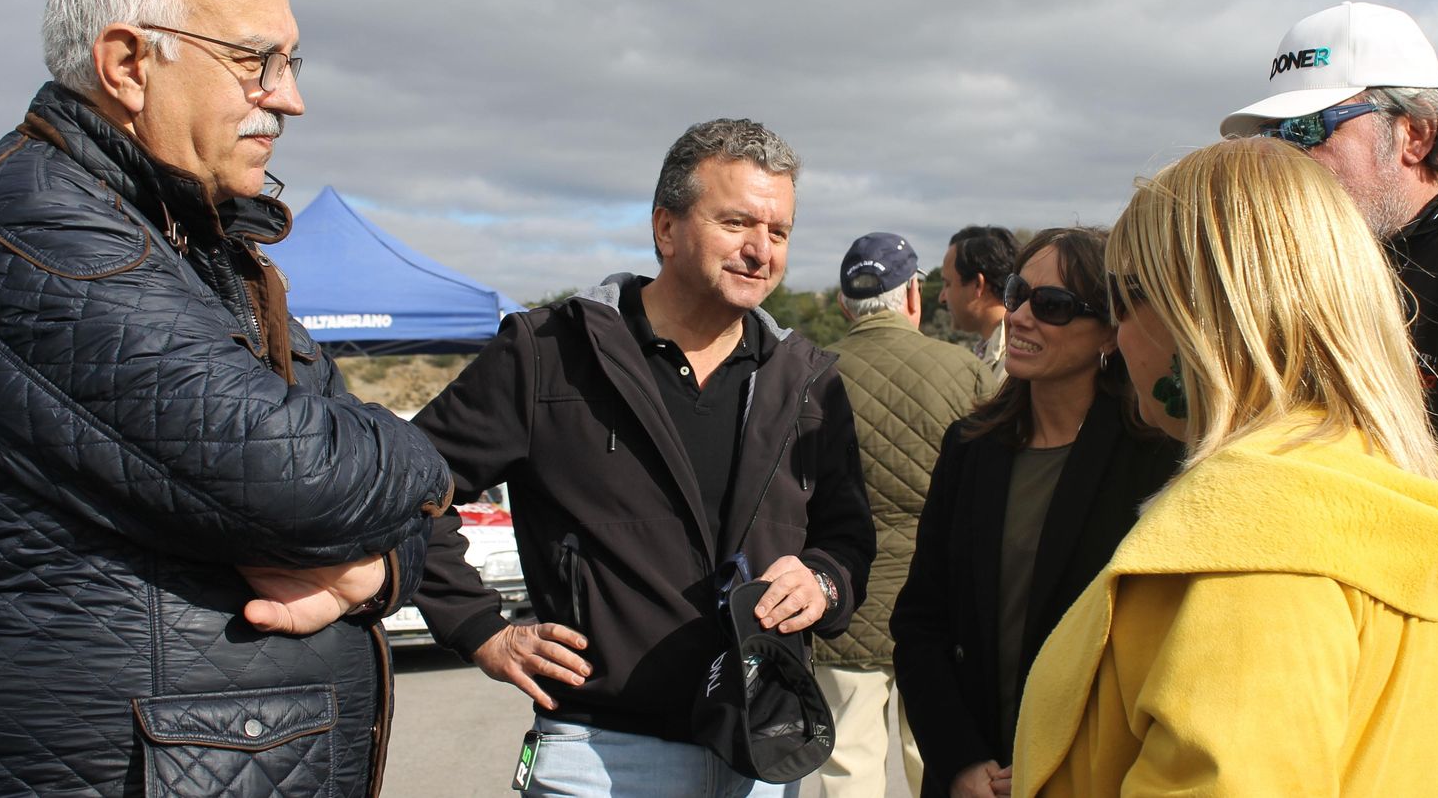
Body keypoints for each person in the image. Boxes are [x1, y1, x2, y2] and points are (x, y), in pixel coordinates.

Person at [0, 0, 452, 796]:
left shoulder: (197, 243)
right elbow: (303, 479)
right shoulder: (36, 224)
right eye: (254, 60)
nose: (289, 95)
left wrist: (371, 571)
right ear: (127, 63)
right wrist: (424, 460)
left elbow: (372, 502)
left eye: (290, 61)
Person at [1012, 138, 1438, 796]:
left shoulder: (1258, 544)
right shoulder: (1351, 485)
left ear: (1193, 314)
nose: (1116, 339)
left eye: (1122, 299)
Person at [408, 118, 875, 797]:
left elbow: (848, 537)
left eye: (778, 233)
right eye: (737, 222)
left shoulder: (807, 379)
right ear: (666, 228)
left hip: (762, 751)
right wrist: (479, 628)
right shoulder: (550, 354)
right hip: (601, 755)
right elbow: (405, 491)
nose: (759, 250)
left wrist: (823, 583)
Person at [1220, 0, 1438, 797]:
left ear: (1414, 133)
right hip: (1391, 734)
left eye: (1310, 131)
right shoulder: (1353, 280)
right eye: (1272, 140)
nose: (1286, 160)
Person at [893, 227, 1182, 798]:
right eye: (1018, 291)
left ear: (1108, 331)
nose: (1021, 316)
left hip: (1093, 775)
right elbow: (922, 621)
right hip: (976, 774)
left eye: (1052, 306)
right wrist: (959, 762)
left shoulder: (1156, 458)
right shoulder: (970, 446)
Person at [813, 232, 992, 798]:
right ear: (913, 295)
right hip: (940, 612)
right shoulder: (965, 371)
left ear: (845, 303)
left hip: (842, 609)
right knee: (940, 762)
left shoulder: (810, 373)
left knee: (846, 768)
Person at [938, 225, 1018, 382]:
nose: (941, 297)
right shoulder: (999, 354)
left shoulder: (1011, 364)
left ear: (977, 285)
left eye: (947, 284)